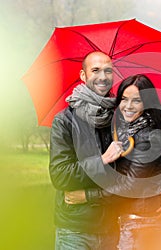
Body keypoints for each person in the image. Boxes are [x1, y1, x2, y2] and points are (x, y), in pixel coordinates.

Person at [65, 74, 161, 249]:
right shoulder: (133, 130)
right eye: (124, 99)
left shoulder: (149, 136)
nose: (128, 106)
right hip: (133, 218)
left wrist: (86, 196)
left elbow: (130, 186)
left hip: (138, 222)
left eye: (136, 101)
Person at [49, 51, 125, 250]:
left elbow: (129, 180)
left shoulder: (120, 119)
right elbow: (61, 177)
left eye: (108, 71)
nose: (103, 77)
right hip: (74, 231)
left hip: (110, 228)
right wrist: (103, 160)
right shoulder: (64, 121)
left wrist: (87, 195)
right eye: (95, 70)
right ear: (83, 76)